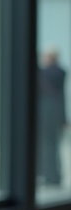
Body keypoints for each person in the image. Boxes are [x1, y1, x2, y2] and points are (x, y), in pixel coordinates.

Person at [37, 47, 66, 188]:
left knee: (47, 145)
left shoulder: (48, 73)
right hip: (55, 113)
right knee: (52, 145)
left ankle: (50, 176)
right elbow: (62, 97)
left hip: (46, 114)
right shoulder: (60, 72)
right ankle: (53, 175)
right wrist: (63, 118)